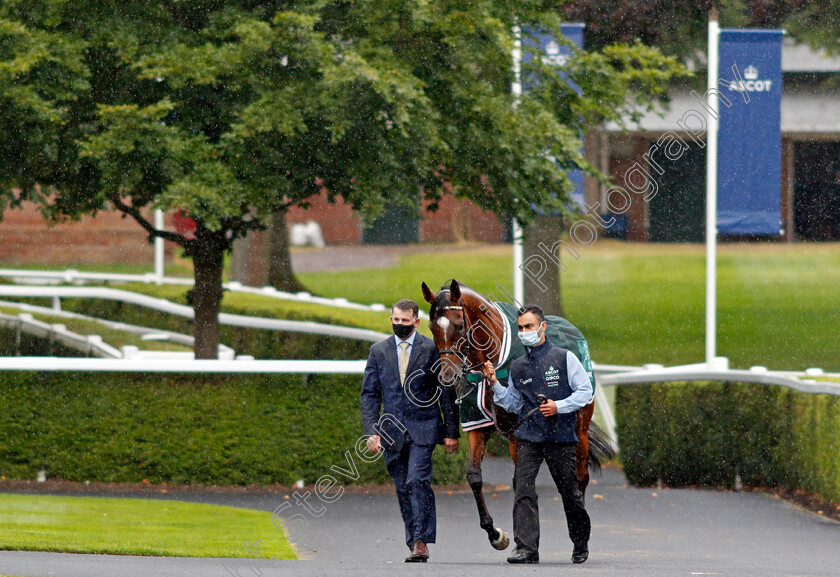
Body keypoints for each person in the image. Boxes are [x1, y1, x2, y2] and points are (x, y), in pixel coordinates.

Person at [481, 304, 593, 565]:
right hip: (529, 437)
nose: (524, 332)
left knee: (570, 493)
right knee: (523, 489)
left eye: (528, 326)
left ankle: (580, 541)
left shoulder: (564, 357)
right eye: (520, 328)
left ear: (542, 327)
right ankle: (526, 548)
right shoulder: (518, 366)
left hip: (560, 437)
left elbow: (585, 392)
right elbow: (513, 403)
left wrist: (559, 406)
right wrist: (495, 383)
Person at [360, 298, 460, 563]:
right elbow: (369, 395)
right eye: (396, 320)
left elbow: (445, 391)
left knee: (417, 480)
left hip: (423, 427)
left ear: (416, 322)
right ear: (391, 319)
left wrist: (451, 431)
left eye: (405, 321)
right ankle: (413, 539)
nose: (400, 325)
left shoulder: (431, 348)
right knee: (403, 487)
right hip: (391, 432)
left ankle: (421, 542)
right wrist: (372, 430)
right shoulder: (378, 351)